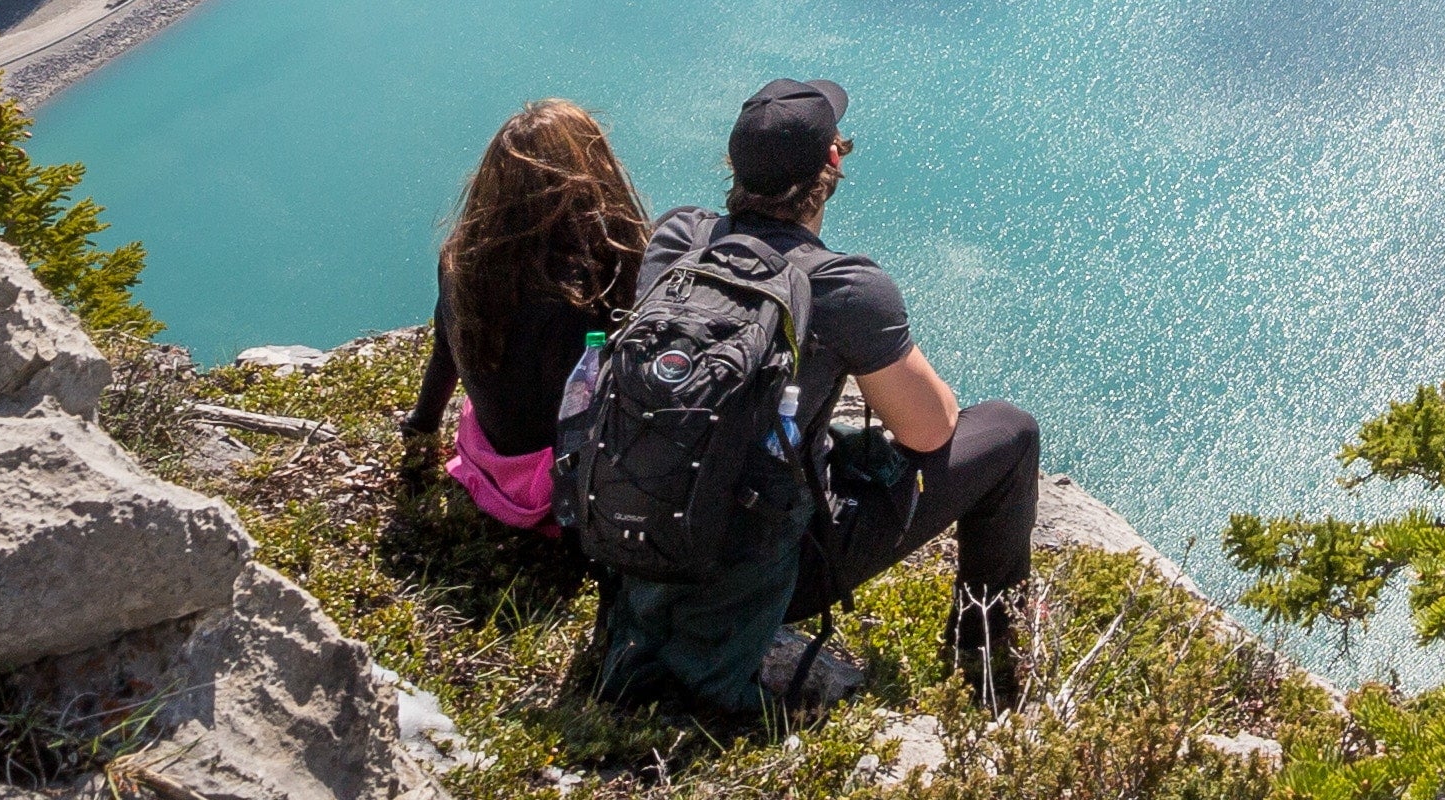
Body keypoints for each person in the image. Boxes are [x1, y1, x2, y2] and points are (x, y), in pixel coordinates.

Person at [589, 76, 1043, 723]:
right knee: (1009, 432)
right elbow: (931, 432)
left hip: (641, 536)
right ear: (833, 161)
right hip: (767, 571)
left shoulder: (677, 240)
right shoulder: (843, 286)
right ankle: (984, 656)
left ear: (735, 164)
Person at [400, 99, 648, 540]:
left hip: (492, 465)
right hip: (561, 490)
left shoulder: (462, 258)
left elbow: (446, 348)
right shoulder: (597, 278)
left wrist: (421, 424)